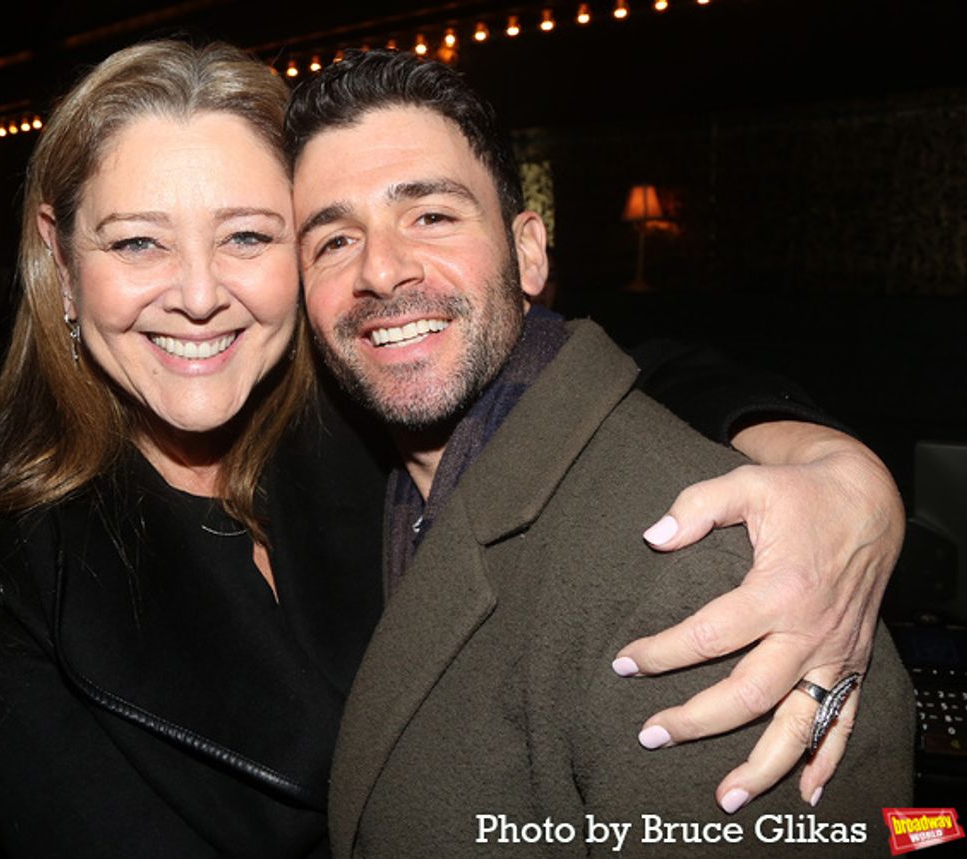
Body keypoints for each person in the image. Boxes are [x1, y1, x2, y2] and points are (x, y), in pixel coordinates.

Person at [0, 39, 904, 859]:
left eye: (249, 237)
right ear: (62, 264)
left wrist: (831, 466)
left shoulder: (354, 439)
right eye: (136, 243)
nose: (201, 292)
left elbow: (563, 367)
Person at [284, 50, 912, 857]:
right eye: (333, 240)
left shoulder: (712, 573)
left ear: (531, 254)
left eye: (432, 215)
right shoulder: (358, 482)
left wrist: (847, 472)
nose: (380, 268)